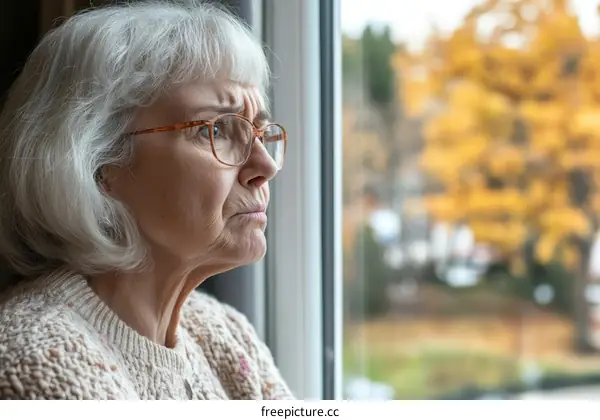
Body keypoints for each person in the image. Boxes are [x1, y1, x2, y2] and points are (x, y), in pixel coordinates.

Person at [0, 0, 293, 400]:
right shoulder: (38, 357)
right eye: (218, 129)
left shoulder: (221, 332)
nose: (264, 166)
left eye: (259, 132)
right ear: (99, 161)